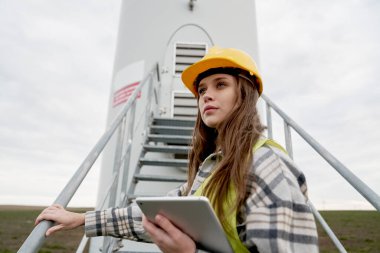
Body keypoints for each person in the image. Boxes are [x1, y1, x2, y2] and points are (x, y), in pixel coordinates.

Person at [36, 46, 319, 253]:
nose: (206, 95)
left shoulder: (267, 164)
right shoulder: (212, 169)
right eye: (202, 89)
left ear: (244, 94)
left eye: (221, 84)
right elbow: (151, 216)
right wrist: (81, 219)